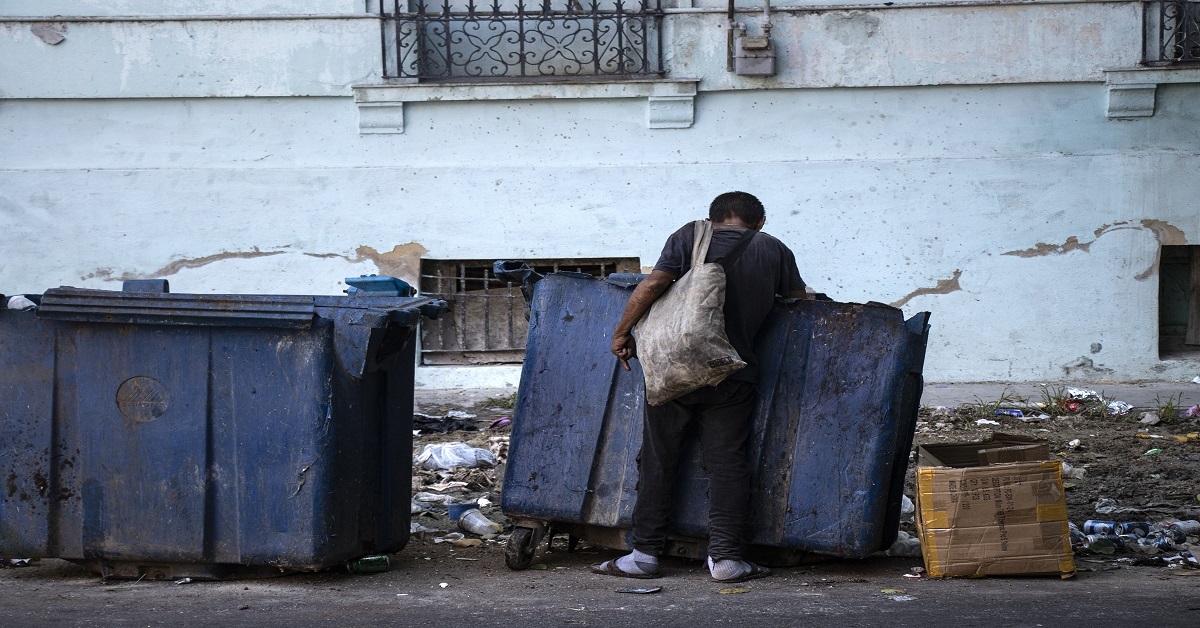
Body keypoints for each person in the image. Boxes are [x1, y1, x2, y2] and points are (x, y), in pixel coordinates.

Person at [592, 191, 807, 583]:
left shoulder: (690, 234)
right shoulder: (775, 249)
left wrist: (622, 334)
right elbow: (798, 304)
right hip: (733, 372)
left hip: (675, 368)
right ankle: (726, 560)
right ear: (760, 223)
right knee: (728, 464)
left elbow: (653, 284)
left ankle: (644, 555)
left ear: (711, 218)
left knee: (659, 457)